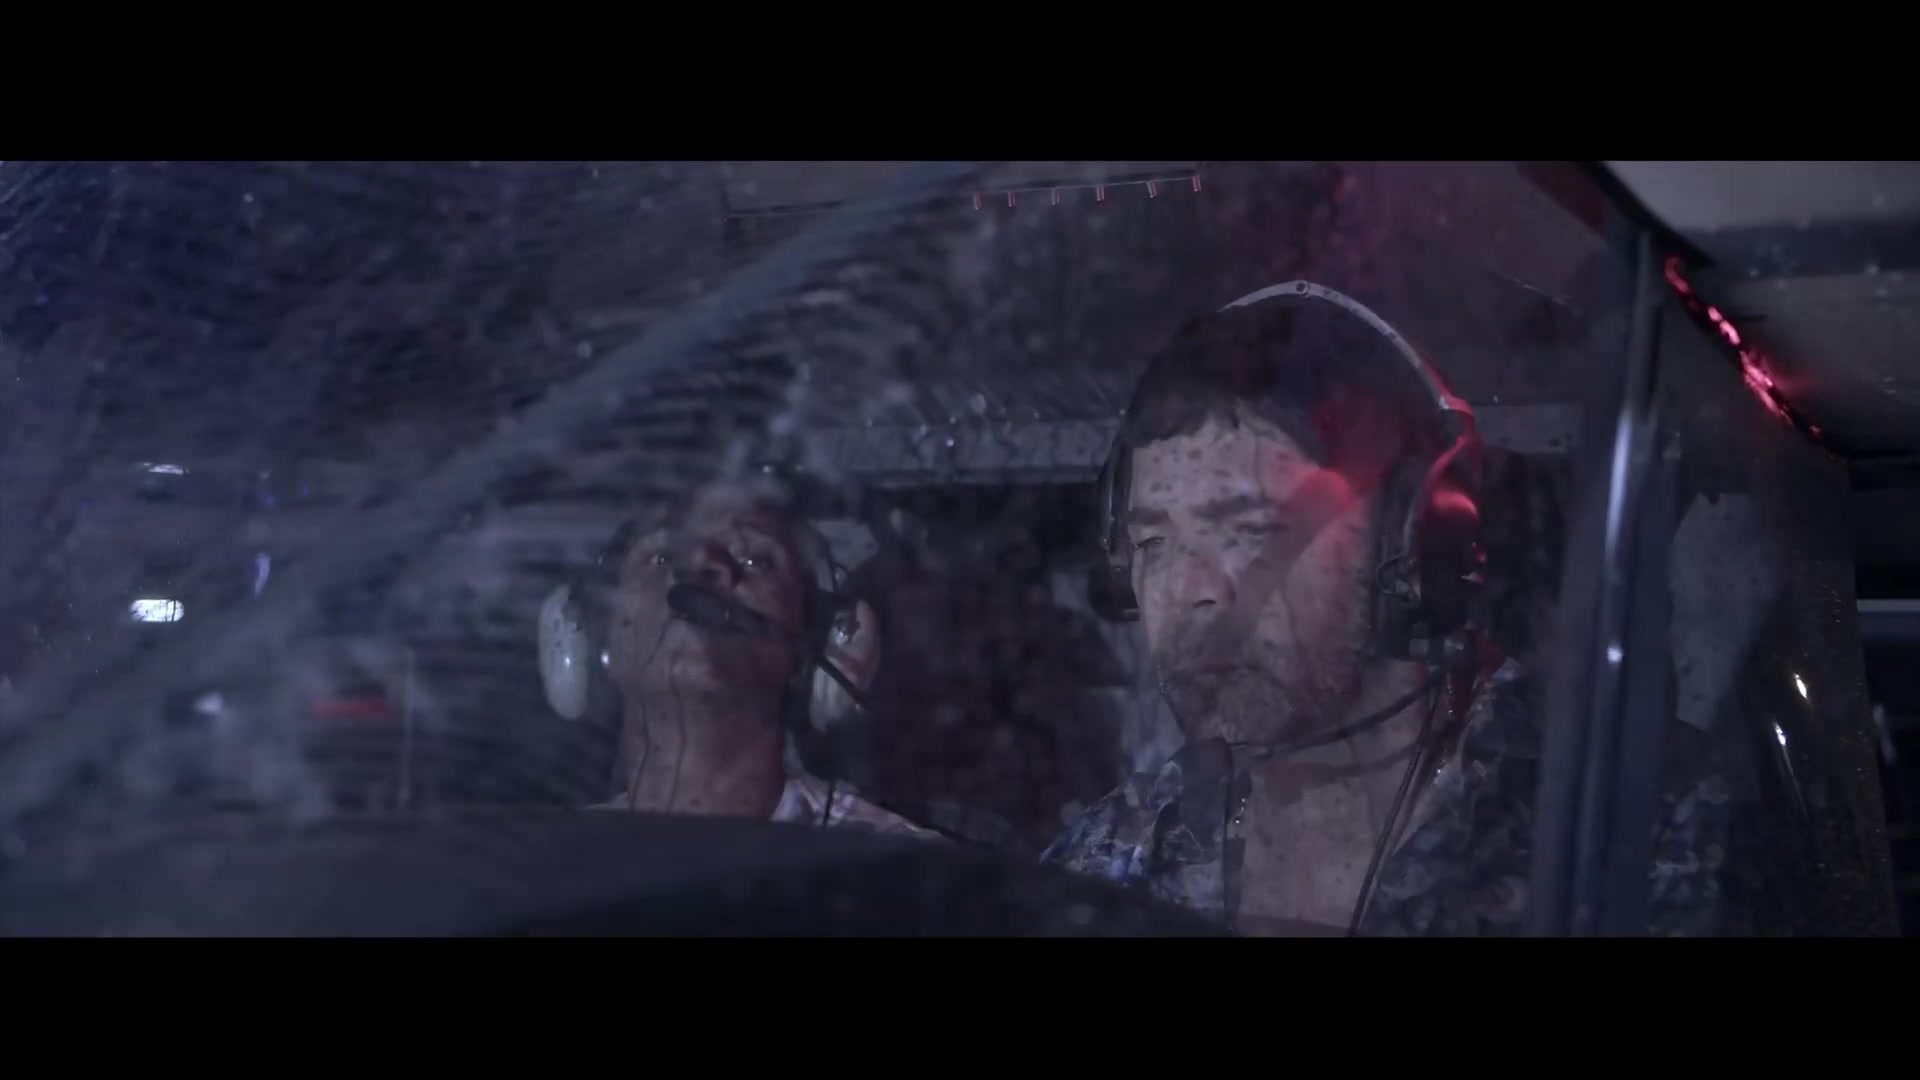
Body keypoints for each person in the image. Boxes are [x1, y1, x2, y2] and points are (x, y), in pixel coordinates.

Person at [1042, 282, 1758, 936]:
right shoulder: (1107, 865)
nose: (1191, 591)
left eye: (1249, 531)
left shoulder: (1633, 829)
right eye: (1154, 543)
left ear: (1417, 543)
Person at [540, 470, 939, 839]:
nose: (700, 564)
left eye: (755, 560)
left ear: (818, 646)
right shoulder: (543, 864)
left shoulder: (901, 866)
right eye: (661, 557)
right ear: (597, 639)